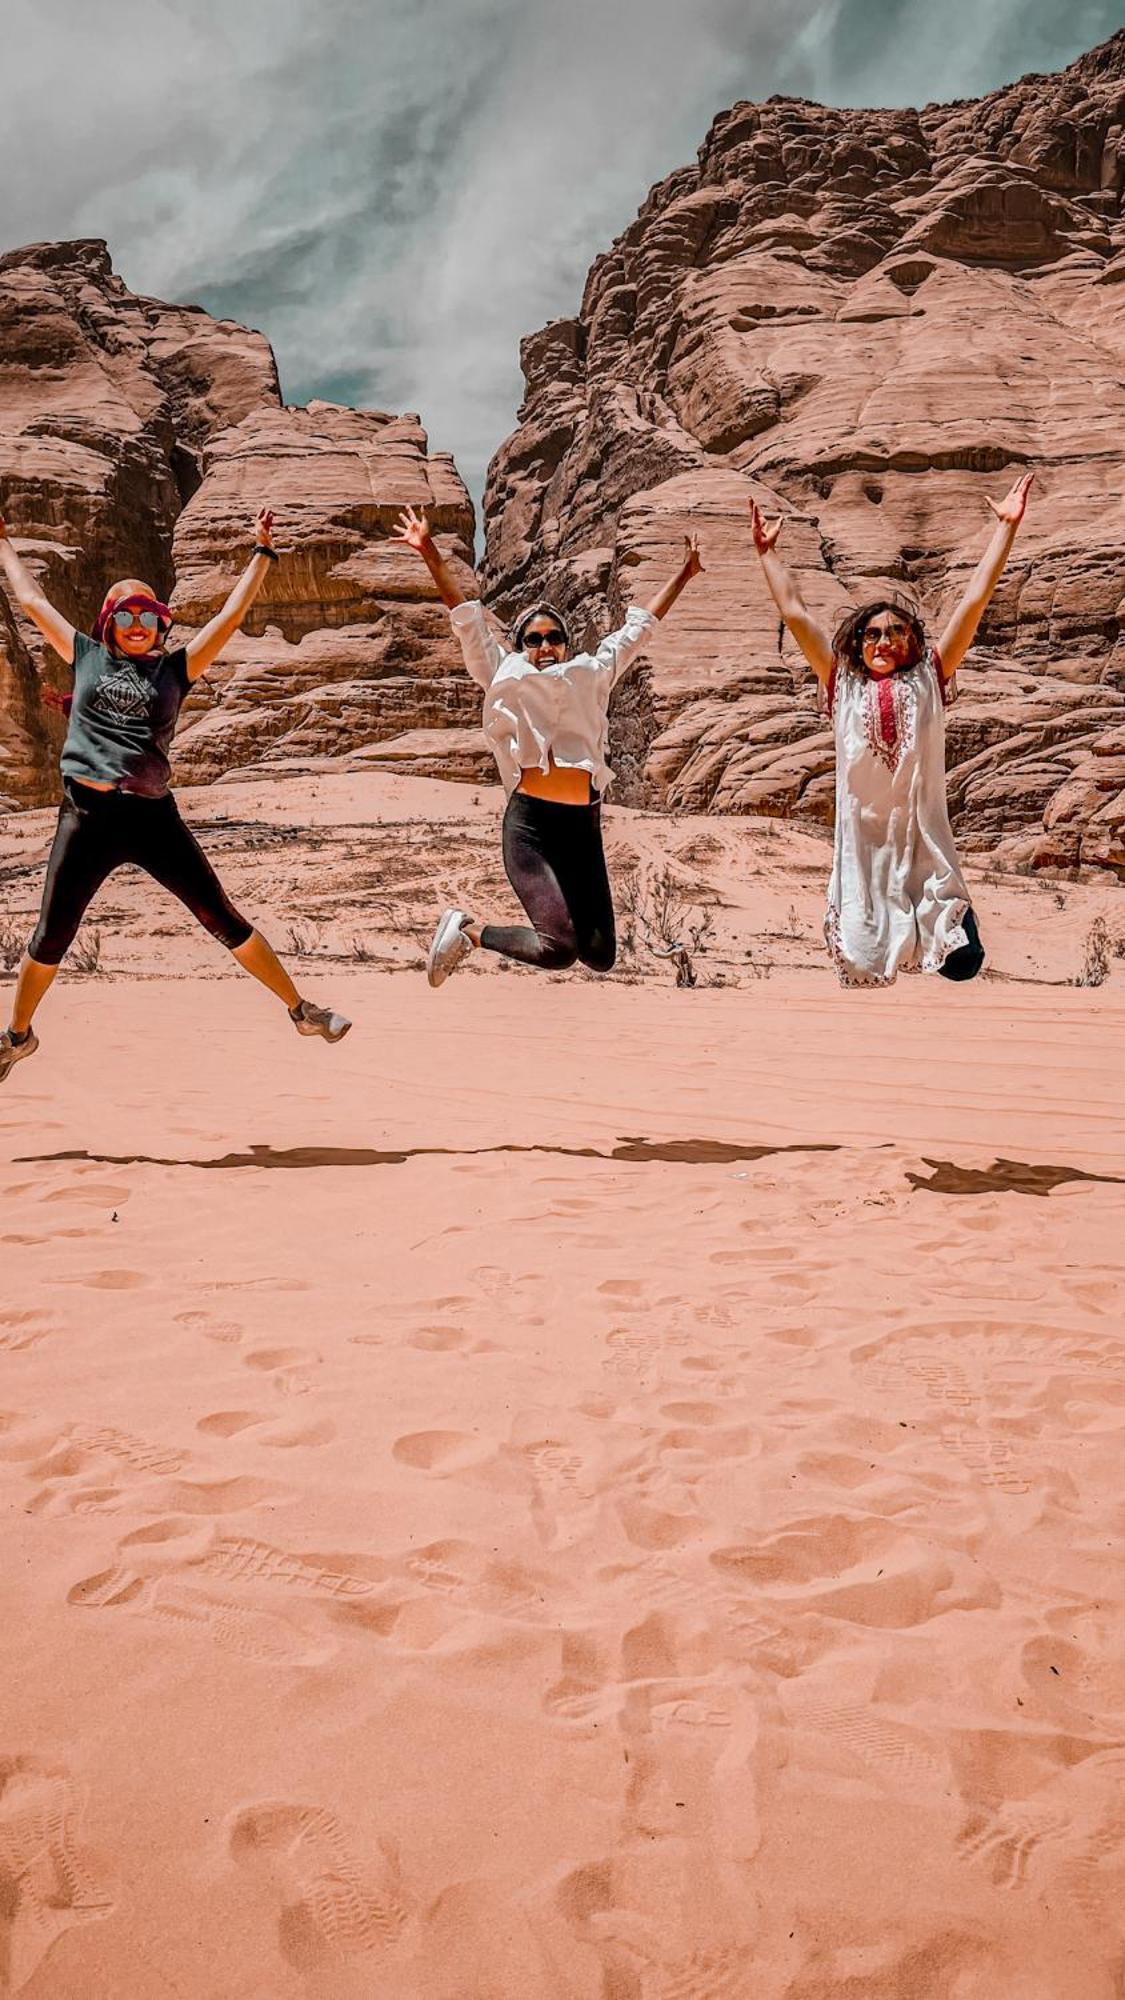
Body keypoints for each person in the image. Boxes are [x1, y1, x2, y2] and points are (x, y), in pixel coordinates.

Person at [0, 506, 350, 1084]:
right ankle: (17, 1037)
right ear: (108, 622)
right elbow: (34, 603)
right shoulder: (85, 655)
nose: (137, 622)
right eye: (124, 613)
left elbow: (232, 615)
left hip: (152, 818)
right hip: (87, 817)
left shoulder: (177, 670)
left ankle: (301, 1011)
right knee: (49, 937)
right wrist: (6, 543)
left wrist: (261, 553)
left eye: (148, 612)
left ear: (162, 624)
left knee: (223, 919)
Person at [393, 506, 703, 987]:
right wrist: (430, 551)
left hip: (583, 825)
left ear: (566, 642)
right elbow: (467, 620)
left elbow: (638, 630)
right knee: (558, 949)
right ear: (519, 646)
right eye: (534, 639)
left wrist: (684, 573)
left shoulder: (591, 673)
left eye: (554, 637)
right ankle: (469, 932)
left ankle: (479, 934)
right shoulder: (504, 673)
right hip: (532, 827)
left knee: (599, 955)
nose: (545, 646)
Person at [748, 472, 1034, 987]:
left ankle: (932, 936)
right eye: (872, 634)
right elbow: (795, 612)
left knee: (963, 962)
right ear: (856, 645)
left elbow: (974, 601)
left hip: (924, 840)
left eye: (896, 632)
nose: (883, 641)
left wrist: (1005, 530)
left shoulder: (931, 674)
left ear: (912, 642)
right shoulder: (841, 684)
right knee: (861, 954)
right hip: (866, 846)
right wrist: (767, 553)